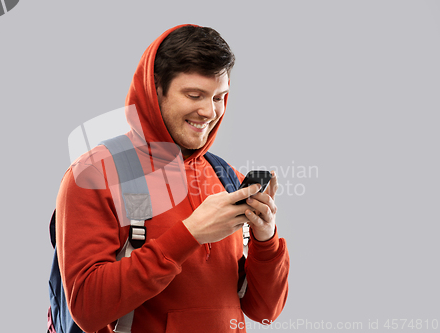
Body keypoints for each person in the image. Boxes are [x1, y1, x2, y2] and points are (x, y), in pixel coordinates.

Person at [56, 24, 289, 333]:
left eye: (220, 97)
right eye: (195, 95)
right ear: (155, 90)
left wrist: (266, 239)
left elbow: (265, 311)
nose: (209, 111)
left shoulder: (227, 177)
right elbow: (87, 309)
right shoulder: (94, 175)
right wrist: (189, 235)